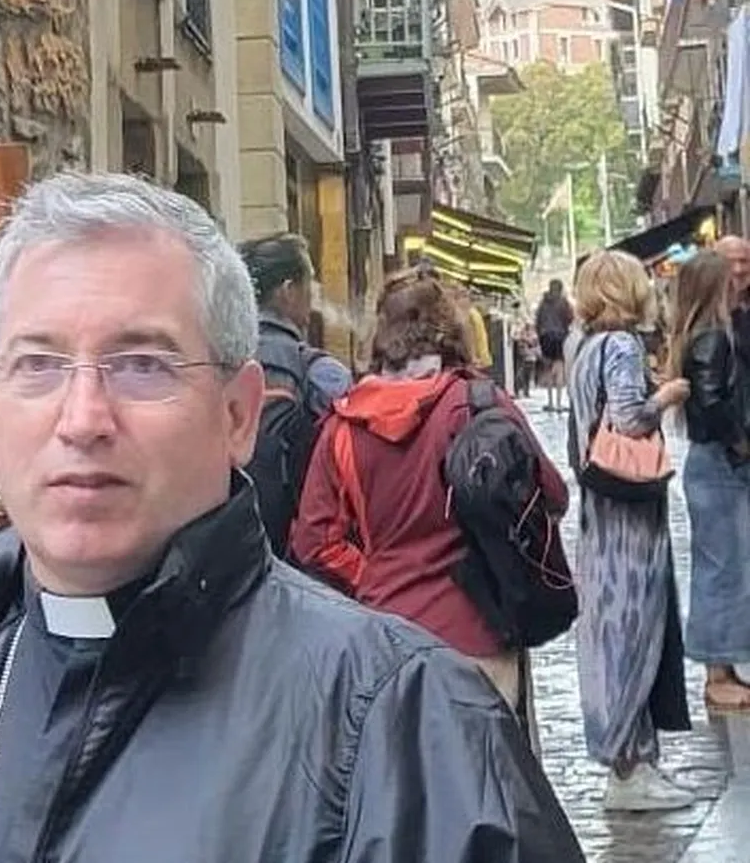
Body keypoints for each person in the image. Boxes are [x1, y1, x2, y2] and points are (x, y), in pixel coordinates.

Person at [0, 172, 582, 862]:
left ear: (237, 414)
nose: (83, 418)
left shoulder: (407, 727)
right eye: (39, 364)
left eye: (141, 365)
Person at [290, 267, 567, 713]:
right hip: (478, 637)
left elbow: (314, 541)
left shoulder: (343, 426)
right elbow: (552, 495)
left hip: (385, 642)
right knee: (486, 760)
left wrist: (374, 574)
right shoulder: (479, 405)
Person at [566, 250, 694, 812]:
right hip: (629, 514)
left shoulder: (583, 346)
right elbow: (628, 417)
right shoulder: (619, 345)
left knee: (611, 630)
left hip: (601, 508)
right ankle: (629, 763)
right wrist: (666, 395)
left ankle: (633, 757)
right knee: (634, 627)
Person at [666, 249, 750, 709]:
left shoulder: (701, 334)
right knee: (722, 567)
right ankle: (717, 671)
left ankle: (723, 664)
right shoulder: (713, 337)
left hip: (713, 461)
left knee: (725, 564)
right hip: (720, 463)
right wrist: (740, 442)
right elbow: (712, 399)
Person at [236, 232, 352, 555]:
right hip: (296, 551)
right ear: (288, 291)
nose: (314, 295)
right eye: (309, 283)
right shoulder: (321, 373)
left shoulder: (212, 362)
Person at [536, 279, 575, 411]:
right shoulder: (563, 302)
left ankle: (550, 402)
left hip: (545, 336)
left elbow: (538, 320)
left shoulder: (543, 303)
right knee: (559, 367)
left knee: (547, 368)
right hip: (560, 336)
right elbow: (570, 318)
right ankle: (559, 403)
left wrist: (541, 335)